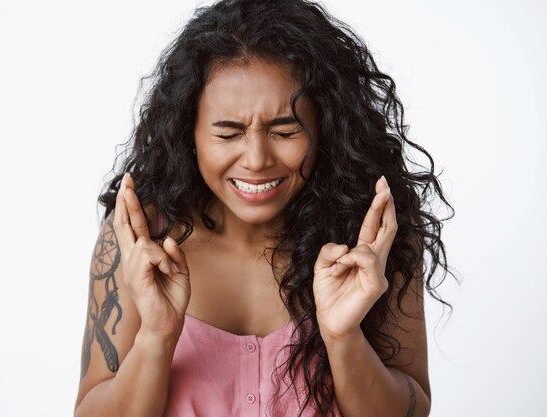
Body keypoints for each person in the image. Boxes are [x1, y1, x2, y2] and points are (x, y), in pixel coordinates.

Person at [74, 0, 453, 416]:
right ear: (190, 133)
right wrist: (157, 335)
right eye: (228, 133)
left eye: (285, 129)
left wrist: (343, 338)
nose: (256, 159)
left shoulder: (372, 237)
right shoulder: (139, 238)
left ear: (323, 125)